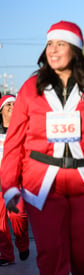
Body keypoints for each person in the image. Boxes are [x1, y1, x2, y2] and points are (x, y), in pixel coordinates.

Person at [0, 21, 84, 274]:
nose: (53, 50)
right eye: (49, 44)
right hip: (43, 183)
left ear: (75, 50)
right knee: (51, 255)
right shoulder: (30, 89)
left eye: (60, 44)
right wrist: (10, 185)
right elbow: (14, 141)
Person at [0, 94, 30, 266]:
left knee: (17, 215)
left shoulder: (23, 130)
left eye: (14, 103)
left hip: (16, 179)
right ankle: (6, 255)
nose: (12, 106)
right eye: (8, 104)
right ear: (1, 110)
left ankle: (22, 242)